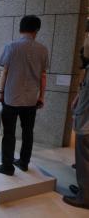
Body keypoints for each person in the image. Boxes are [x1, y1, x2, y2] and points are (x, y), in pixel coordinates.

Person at [0, 15, 48, 176]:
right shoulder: (43, 50)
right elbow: (43, 75)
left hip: (11, 98)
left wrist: (0, 92)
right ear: (36, 30)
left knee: (9, 133)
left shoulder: (11, 46)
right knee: (28, 132)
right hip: (31, 100)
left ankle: (7, 166)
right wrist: (41, 97)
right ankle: (23, 163)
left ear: (20, 29)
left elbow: (5, 71)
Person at [63, 34, 89, 209]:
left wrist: (78, 113)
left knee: (84, 160)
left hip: (87, 126)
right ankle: (84, 190)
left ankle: (84, 197)